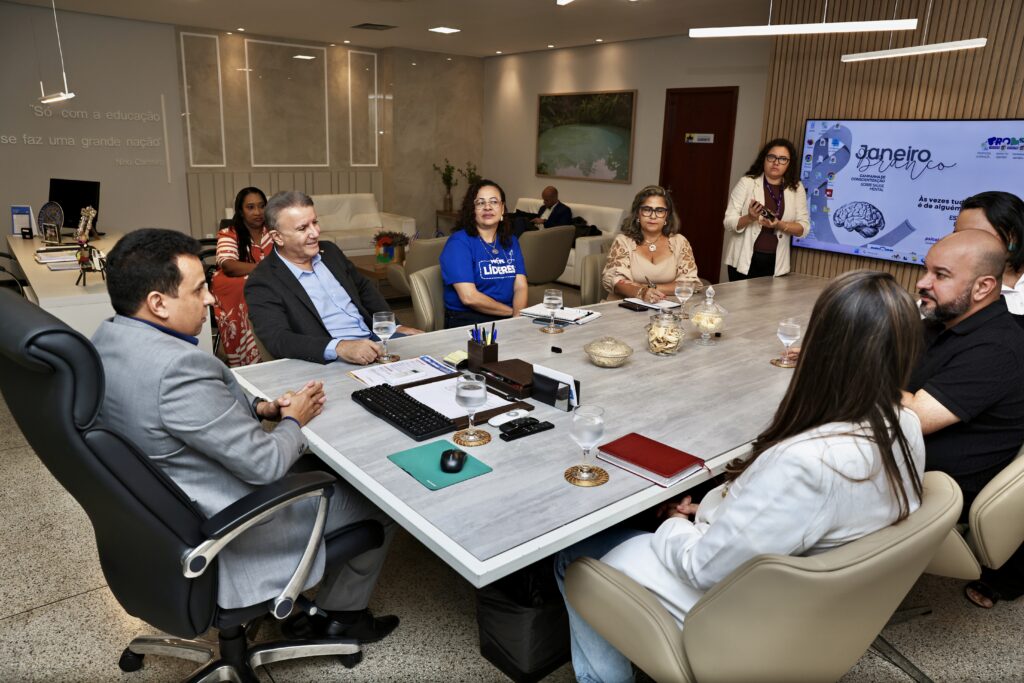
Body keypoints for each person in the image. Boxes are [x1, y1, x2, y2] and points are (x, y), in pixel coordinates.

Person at [555, 270, 926, 682]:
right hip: (817, 610)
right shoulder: (905, 423)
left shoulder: (805, 463)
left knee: (576, 554)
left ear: (821, 346)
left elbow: (703, 568)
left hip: (743, 620)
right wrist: (712, 508)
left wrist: (677, 524)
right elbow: (803, 518)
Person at [93, 228, 399, 641]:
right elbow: (265, 464)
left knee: (322, 467)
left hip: (168, 516)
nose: (211, 298)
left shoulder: (109, 340)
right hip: (233, 527)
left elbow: (184, 421)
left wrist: (260, 408)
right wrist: (295, 420)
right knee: (381, 497)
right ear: (158, 303)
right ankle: (342, 617)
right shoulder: (177, 371)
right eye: (199, 289)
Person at [903, 229, 1024, 609]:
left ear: (983, 287)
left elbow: (912, 418)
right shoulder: (945, 322)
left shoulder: (996, 347)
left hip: (933, 487)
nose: (922, 283)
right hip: (908, 459)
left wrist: (858, 365)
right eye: (926, 270)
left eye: (940, 275)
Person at [246, 191, 421, 365]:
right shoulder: (263, 281)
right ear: (277, 237)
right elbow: (278, 339)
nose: (315, 233)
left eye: (314, 222)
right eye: (302, 228)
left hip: (374, 339)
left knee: (431, 351)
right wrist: (338, 347)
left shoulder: (330, 251)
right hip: (329, 357)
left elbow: (364, 289)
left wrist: (395, 327)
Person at [440, 179, 528, 328]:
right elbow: (469, 297)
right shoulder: (458, 243)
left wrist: (517, 318)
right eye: (480, 203)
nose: (487, 207)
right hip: (469, 320)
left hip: (509, 317)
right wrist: (512, 313)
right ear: (472, 210)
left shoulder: (511, 241)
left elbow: (520, 287)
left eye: (494, 202)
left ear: (502, 209)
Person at [723, 138, 810, 280]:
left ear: (789, 163)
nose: (776, 162)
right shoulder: (747, 182)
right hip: (743, 261)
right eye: (772, 157)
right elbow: (728, 222)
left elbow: (804, 228)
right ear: (764, 159)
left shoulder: (796, 188)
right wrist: (750, 218)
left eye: (783, 159)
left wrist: (780, 224)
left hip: (776, 262)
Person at [601, 185, 699, 303]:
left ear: (667, 215)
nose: (653, 216)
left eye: (660, 210)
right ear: (638, 213)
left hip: (664, 307)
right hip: (625, 306)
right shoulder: (623, 241)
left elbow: (688, 284)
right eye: (647, 209)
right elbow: (617, 283)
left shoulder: (680, 242)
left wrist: (652, 288)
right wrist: (642, 293)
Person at [211, 187, 272, 367]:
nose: (258, 212)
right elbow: (229, 266)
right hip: (231, 285)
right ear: (240, 210)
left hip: (267, 281)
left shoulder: (274, 231)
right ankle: (250, 359)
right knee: (250, 288)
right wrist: (268, 270)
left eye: (261, 206)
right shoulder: (230, 232)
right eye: (251, 207)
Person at [953, 190, 1024, 317]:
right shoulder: (950, 294)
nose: (962, 244)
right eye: (958, 235)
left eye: (975, 235)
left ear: (1012, 237)